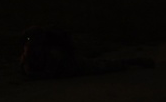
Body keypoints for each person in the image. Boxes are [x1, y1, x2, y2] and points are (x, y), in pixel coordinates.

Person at [19, 27, 155, 79]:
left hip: (79, 66)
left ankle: (135, 61)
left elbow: (49, 73)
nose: (29, 43)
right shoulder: (33, 49)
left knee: (110, 66)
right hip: (75, 65)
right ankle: (136, 61)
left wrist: (32, 74)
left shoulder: (53, 52)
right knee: (107, 65)